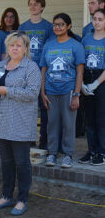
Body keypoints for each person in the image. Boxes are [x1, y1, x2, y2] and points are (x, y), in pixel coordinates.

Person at [0, 31, 41, 215]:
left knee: (22, 162)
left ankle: (22, 199)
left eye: (18, 45)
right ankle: (7, 196)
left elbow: (33, 94)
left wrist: (7, 90)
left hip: (20, 122)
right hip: (1, 121)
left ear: (25, 49)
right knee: (7, 162)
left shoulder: (31, 68)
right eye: (11, 45)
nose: (14, 48)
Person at [41, 13, 85, 168]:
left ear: (69, 26)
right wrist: (42, 92)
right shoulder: (48, 45)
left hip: (69, 90)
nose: (57, 27)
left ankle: (67, 155)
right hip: (51, 91)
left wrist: (76, 95)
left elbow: (80, 72)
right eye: (55, 24)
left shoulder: (76, 45)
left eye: (61, 24)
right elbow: (44, 70)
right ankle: (52, 153)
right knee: (52, 123)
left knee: (68, 124)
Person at [19, 0, 55, 150]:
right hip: (26, 71)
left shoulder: (48, 27)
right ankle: (29, 139)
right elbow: (18, 49)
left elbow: (52, 50)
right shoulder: (23, 27)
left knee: (44, 107)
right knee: (28, 107)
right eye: (30, 4)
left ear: (42, 7)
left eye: (36, 4)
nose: (33, 7)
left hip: (43, 72)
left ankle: (44, 141)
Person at [79, 9, 105, 165]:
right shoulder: (86, 39)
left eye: (100, 19)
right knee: (88, 119)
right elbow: (81, 63)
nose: (97, 22)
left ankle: (102, 152)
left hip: (101, 79)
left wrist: (96, 83)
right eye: (95, 19)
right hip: (86, 77)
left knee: (100, 119)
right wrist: (81, 83)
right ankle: (92, 150)